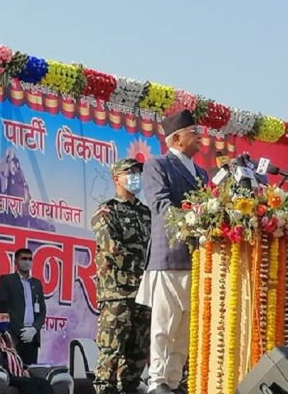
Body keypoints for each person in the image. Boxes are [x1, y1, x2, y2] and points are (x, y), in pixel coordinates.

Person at [136, 110, 208, 394]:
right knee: (164, 326)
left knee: (184, 332)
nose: (200, 137)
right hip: (169, 257)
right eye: (194, 132)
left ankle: (173, 382)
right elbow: (160, 205)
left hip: (196, 259)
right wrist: (194, 221)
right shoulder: (157, 165)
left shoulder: (201, 172)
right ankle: (157, 383)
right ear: (177, 138)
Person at [92, 158, 152, 394]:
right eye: (130, 172)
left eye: (138, 171)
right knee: (111, 355)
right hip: (117, 294)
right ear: (116, 177)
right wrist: (147, 268)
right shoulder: (106, 212)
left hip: (144, 294)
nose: (136, 176)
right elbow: (112, 250)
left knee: (136, 358)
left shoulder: (148, 213)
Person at [0, 300, 53, 394]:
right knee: (33, 385)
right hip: (2, 373)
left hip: (14, 374)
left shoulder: (6, 336)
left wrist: (24, 369)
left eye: (7, 317)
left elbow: (14, 357)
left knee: (43, 383)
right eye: (2, 318)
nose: (6, 321)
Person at [0, 247, 47, 365]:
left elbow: (42, 310)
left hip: (32, 336)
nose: (27, 262)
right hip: (14, 335)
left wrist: (34, 329)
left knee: (30, 371)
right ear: (16, 262)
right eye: (24, 258)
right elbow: (4, 307)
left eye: (30, 259)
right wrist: (21, 330)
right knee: (15, 370)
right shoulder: (7, 280)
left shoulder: (36, 283)